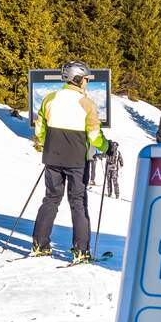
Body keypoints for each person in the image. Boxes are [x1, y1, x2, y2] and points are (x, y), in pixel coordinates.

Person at [32, 61, 112, 262]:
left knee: (51, 199)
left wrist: (48, 144)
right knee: (78, 202)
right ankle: (81, 250)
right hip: (77, 160)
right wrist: (107, 147)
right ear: (77, 79)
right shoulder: (87, 103)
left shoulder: (50, 98)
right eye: (85, 79)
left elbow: (40, 129)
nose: (86, 82)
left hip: (52, 157)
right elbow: (94, 135)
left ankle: (40, 244)